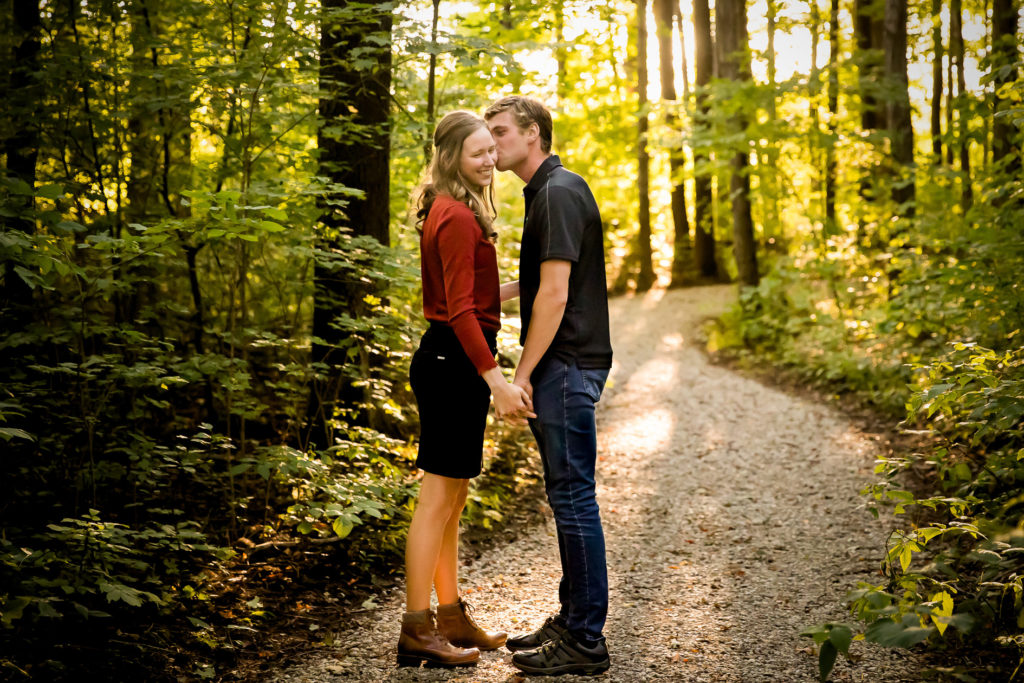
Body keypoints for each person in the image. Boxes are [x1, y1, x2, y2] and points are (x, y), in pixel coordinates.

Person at [397, 111, 534, 668]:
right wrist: (497, 381)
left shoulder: (455, 210)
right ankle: (415, 628)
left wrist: (531, 282)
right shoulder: (454, 215)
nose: (490, 160)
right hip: (451, 361)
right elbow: (458, 312)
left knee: (452, 499)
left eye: (491, 150)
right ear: (452, 157)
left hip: (452, 357)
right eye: (477, 152)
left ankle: (449, 615)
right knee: (436, 500)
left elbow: (473, 298)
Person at [485, 96, 614, 676]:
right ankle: (572, 618)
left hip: (564, 364)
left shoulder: (558, 193)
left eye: (502, 132)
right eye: (487, 134)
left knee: (572, 497)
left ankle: (586, 639)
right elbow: (541, 281)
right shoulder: (549, 191)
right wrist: (486, 294)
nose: (492, 143)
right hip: (566, 364)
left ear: (534, 133)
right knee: (568, 496)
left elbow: (557, 296)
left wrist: (521, 372)